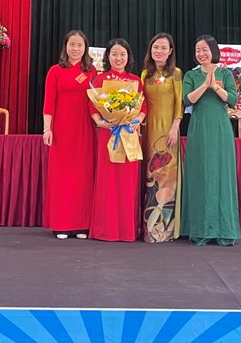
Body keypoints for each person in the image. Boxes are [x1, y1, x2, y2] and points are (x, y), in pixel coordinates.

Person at [181, 35, 240, 246]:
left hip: (220, 129)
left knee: (221, 174)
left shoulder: (225, 73)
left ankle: (224, 229)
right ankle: (199, 229)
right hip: (199, 128)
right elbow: (187, 100)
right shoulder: (191, 75)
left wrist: (215, 87)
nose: (201, 54)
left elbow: (232, 99)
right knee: (200, 173)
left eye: (204, 49)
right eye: (198, 50)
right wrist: (205, 85)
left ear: (213, 51)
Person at [88, 38, 147, 242]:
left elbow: (143, 107)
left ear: (128, 57)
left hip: (129, 135)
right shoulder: (99, 80)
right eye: (114, 54)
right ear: (108, 57)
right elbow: (92, 106)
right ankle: (106, 230)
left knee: (127, 183)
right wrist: (100, 122)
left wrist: (137, 120)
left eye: (122, 54)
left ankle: (126, 230)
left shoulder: (135, 80)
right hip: (109, 134)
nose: (118, 58)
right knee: (107, 182)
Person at [42, 30, 98, 240]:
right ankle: (62, 224)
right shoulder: (55, 71)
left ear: (85, 48)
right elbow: (49, 102)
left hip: (85, 129)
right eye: (72, 44)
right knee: (62, 176)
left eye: (80, 45)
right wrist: (47, 128)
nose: (75, 48)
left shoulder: (92, 71)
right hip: (61, 129)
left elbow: (97, 101)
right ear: (66, 46)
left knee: (83, 176)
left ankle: (82, 224)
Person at [140, 32, 183, 243]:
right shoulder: (144, 75)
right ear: (151, 50)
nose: (159, 51)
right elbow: (140, 103)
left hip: (168, 132)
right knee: (150, 178)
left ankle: (166, 231)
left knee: (167, 177)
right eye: (156, 47)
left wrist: (175, 127)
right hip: (149, 131)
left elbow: (179, 103)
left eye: (164, 48)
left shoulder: (176, 73)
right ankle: (149, 230)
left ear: (170, 51)